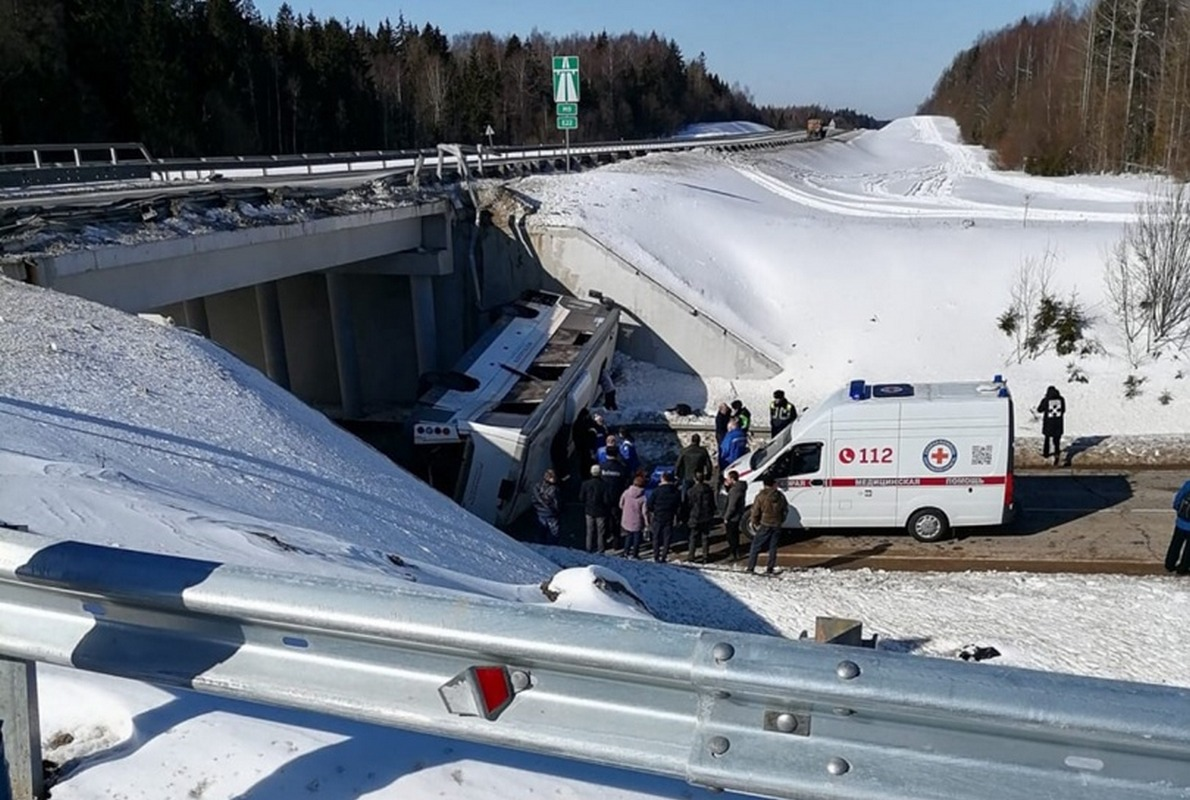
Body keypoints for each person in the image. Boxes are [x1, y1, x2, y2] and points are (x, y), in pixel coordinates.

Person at [747, 474, 789, 575]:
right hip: (777, 523)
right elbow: (785, 509)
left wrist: (755, 522)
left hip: (765, 523)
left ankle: (751, 567)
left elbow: (755, 511)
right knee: (773, 547)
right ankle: (770, 568)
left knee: (755, 546)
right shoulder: (780, 496)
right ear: (773, 484)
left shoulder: (761, 496)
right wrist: (781, 520)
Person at [646, 471, 683, 563]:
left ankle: (656, 555)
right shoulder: (676, 491)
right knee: (667, 537)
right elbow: (679, 505)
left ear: (663, 479)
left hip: (658, 516)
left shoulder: (657, 491)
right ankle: (664, 555)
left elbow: (650, 504)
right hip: (670, 516)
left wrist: (653, 510)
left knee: (656, 536)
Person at [685, 471, 716, 563]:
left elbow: (688, 505)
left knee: (693, 537)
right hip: (706, 516)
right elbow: (712, 504)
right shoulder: (708, 490)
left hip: (695, 516)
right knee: (705, 537)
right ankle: (705, 556)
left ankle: (691, 556)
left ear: (695, 479)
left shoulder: (691, 491)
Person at [580, 464, 611, 553]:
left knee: (589, 531)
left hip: (589, 510)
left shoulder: (585, 484)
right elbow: (606, 500)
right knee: (601, 532)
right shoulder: (604, 485)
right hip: (601, 511)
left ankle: (588, 548)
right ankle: (600, 549)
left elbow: (581, 497)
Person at [600, 449, 627, 549]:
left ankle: (603, 541)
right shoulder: (621, 468)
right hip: (617, 498)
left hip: (603, 498)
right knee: (616, 520)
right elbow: (626, 482)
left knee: (604, 520)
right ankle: (616, 542)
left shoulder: (602, 467)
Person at [619, 474, 648, 559]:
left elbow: (621, 504)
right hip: (637, 520)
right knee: (636, 538)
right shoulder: (643, 497)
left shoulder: (626, 492)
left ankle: (626, 552)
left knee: (628, 536)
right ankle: (635, 554)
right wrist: (647, 522)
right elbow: (644, 512)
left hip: (626, 518)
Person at [1037, 386, 1066, 466]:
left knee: (1047, 439)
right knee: (1057, 441)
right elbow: (1063, 410)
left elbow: (1039, 409)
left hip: (1048, 423)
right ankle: (1057, 454)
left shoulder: (1046, 400)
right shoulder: (1061, 399)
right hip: (1058, 423)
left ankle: (1046, 454)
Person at [1166, 478, 1190, 575]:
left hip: (1181, 521)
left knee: (1175, 543)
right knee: (1189, 549)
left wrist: (1177, 509)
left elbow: (1179, 497)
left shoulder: (1188, 484)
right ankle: (1183, 568)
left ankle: (1169, 564)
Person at [722, 469, 747, 561]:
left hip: (733, 517)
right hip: (738, 514)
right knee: (735, 535)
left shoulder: (735, 491)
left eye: (728, 478)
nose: (727, 480)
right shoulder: (740, 487)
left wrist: (726, 517)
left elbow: (731, 506)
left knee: (731, 536)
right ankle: (736, 552)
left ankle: (733, 553)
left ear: (732, 479)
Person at [531, 469, 561, 544]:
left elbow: (534, 498)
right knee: (554, 532)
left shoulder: (537, 486)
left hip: (540, 511)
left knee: (540, 531)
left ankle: (539, 544)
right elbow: (557, 502)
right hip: (551, 513)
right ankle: (552, 546)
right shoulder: (554, 489)